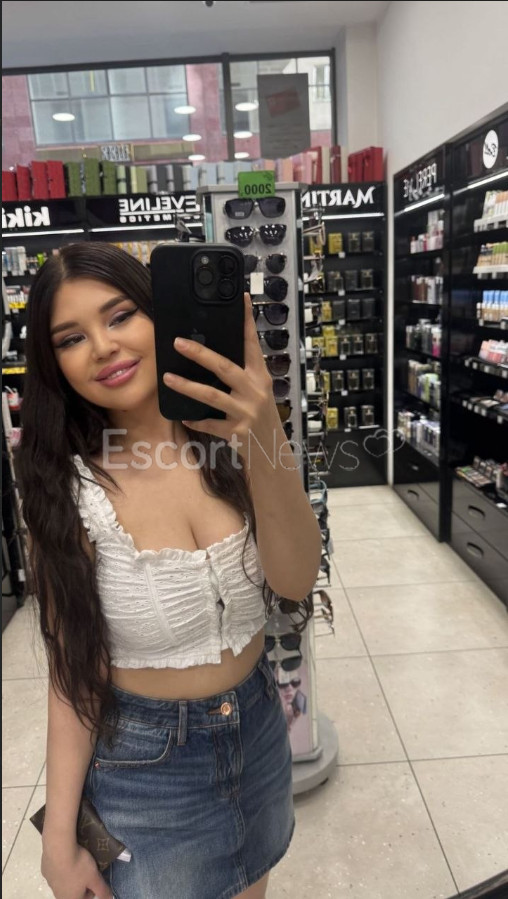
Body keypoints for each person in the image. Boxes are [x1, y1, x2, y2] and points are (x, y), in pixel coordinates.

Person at [16, 242, 322, 899]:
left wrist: (264, 432)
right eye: (71, 337)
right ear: (53, 362)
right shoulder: (69, 489)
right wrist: (58, 840)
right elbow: (74, 672)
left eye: (120, 315)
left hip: (259, 730)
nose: (103, 346)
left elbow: (296, 579)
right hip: (147, 773)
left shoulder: (231, 441)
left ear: (160, 315)